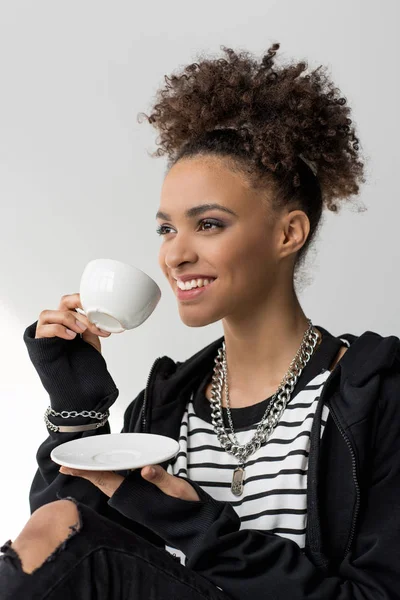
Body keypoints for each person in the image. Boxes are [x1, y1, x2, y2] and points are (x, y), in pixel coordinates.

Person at [1, 41, 399, 600]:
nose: (175, 254)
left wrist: (196, 525)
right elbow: (66, 558)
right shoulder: (167, 406)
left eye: (208, 224)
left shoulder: (375, 398)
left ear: (288, 234)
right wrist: (77, 413)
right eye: (167, 229)